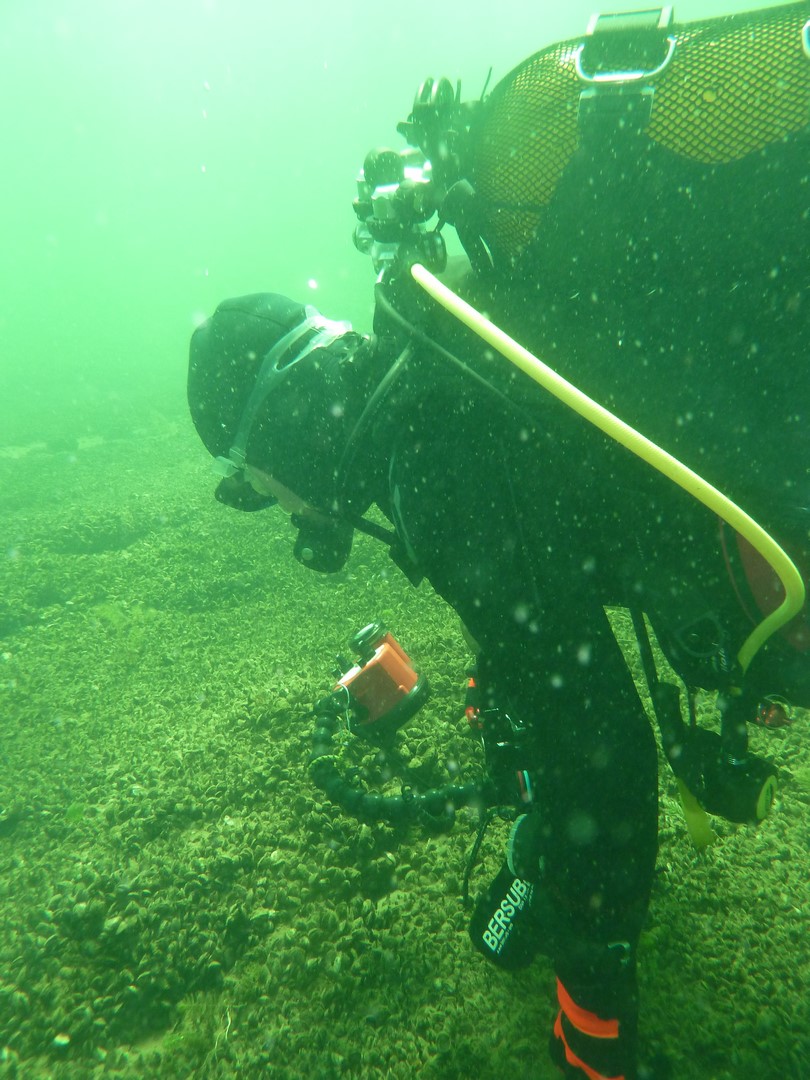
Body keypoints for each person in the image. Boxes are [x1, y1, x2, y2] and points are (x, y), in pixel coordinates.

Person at [187, 5, 810, 1078]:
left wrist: (593, 1004)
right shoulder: (453, 357)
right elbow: (554, 559)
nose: (277, 508)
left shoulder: (426, 462)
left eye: (254, 482)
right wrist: (516, 682)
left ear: (277, 434)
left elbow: (604, 753)